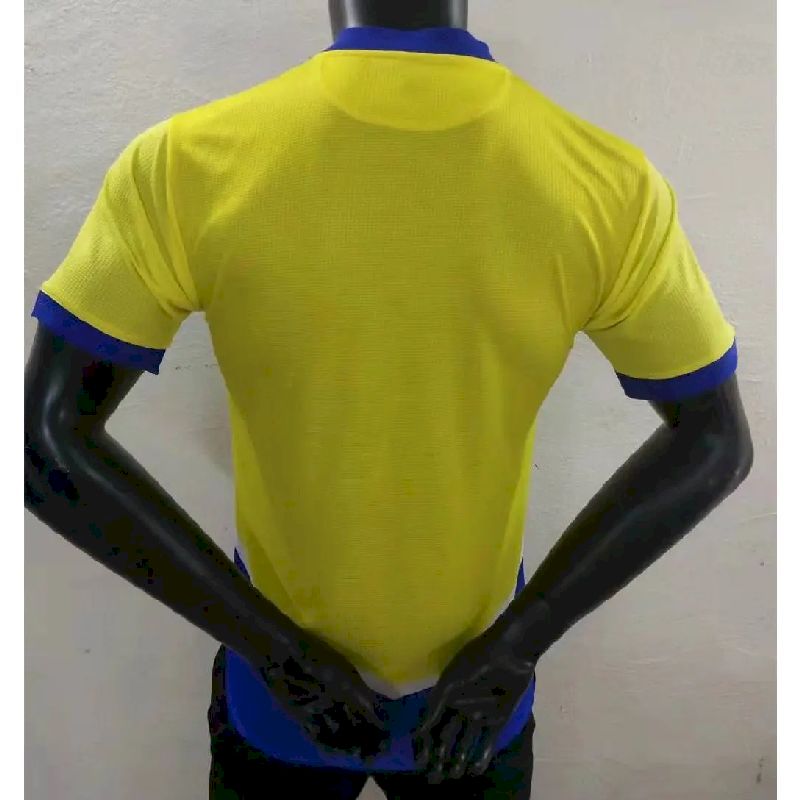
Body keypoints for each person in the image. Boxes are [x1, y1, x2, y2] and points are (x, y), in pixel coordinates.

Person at [24, 1, 754, 798]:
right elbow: (714, 442)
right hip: (475, 694)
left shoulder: (188, 164)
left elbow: (46, 444)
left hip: (283, 691)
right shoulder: (605, 182)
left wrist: (274, 652)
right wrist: (518, 643)